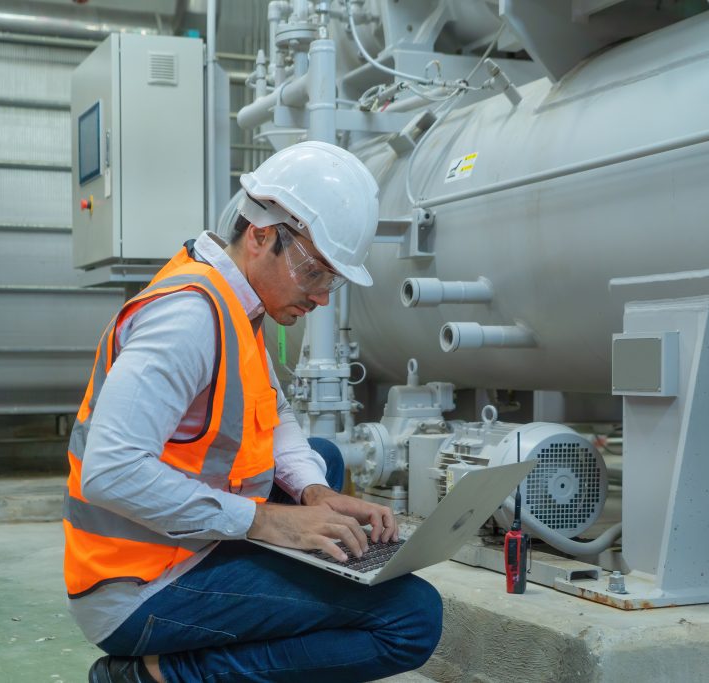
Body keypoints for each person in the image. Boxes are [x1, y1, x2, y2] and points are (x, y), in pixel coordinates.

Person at [62, 140, 443, 683]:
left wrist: (315, 494)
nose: (321, 298)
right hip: (135, 585)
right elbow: (110, 470)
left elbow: (277, 415)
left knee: (325, 460)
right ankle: (156, 677)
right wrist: (269, 522)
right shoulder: (189, 320)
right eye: (316, 274)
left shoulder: (236, 305)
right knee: (411, 618)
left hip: (186, 544)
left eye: (331, 280)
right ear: (262, 236)